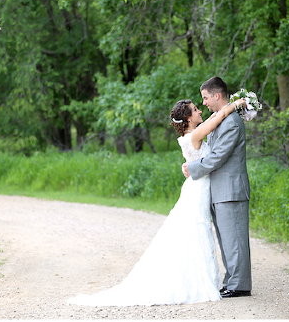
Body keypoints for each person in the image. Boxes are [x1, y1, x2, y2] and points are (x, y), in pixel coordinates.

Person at [68, 97, 246, 306]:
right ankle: (193, 281)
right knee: (195, 231)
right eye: (196, 110)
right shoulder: (196, 134)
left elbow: (215, 118)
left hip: (198, 187)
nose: (200, 111)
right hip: (198, 190)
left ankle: (201, 277)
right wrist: (239, 102)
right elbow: (221, 115)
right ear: (188, 119)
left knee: (197, 231)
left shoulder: (190, 135)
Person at [182, 76, 252, 298]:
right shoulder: (220, 119)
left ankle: (240, 285)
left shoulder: (231, 123)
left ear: (217, 95)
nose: (204, 103)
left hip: (231, 189)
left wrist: (193, 169)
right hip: (218, 190)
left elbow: (218, 156)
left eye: (205, 98)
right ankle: (231, 281)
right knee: (226, 240)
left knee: (235, 239)